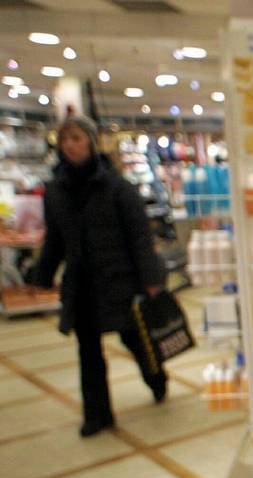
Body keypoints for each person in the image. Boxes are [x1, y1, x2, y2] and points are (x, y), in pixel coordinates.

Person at [33, 116, 167, 437]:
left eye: (77, 138)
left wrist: (151, 279)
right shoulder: (56, 192)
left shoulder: (118, 188)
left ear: (91, 142)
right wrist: (43, 274)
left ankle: (156, 376)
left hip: (121, 280)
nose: (70, 145)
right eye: (65, 140)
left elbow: (140, 238)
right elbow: (55, 239)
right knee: (88, 350)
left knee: (134, 338)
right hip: (82, 285)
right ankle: (97, 414)